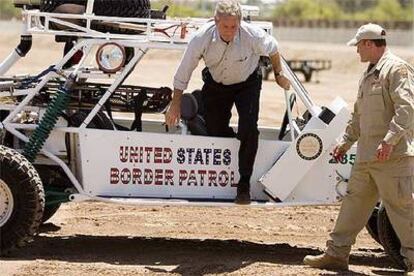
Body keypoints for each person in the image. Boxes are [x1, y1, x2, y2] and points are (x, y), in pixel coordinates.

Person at [303, 23, 414, 273]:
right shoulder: (369, 73)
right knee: (353, 205)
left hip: (392, 156)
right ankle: (336, 254)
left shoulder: (396, 69)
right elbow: (358, 116)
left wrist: (390, 140)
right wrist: (345, 142)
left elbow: (407, 110)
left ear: (368, 44)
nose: (356, 52)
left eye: (358, 46)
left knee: (402, 209)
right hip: (367, 156)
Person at [165, 0, 290, 204]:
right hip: (216, 85)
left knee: (249, 129)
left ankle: (244, 184)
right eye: (225, 26)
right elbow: (184, 71)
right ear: (216, 22)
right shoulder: (201, 38)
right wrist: (175, 103)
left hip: (247, 84)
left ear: (239, 23)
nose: (230, 31)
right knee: (215, 129)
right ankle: (234, 149)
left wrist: (278, 74)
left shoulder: (252, 35)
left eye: (234, 26)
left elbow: (273, 49)